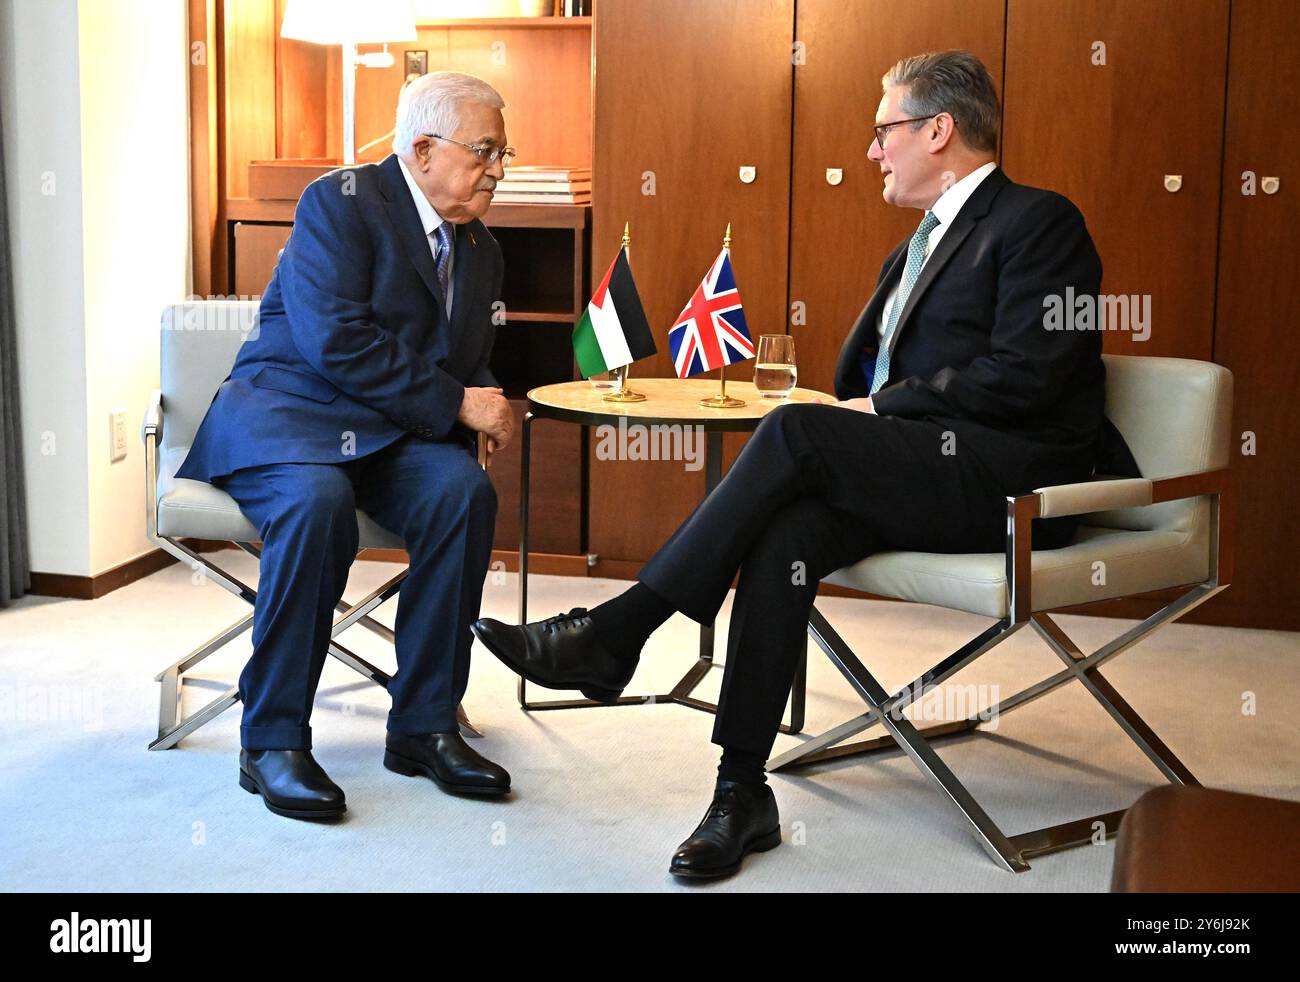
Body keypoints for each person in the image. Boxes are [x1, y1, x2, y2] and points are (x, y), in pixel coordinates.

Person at [473, 50, 1136, 878]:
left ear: (940, 130)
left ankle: (619, 631)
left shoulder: (1039, 221)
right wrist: (864, 415)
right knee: (787, 534)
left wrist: (875, 413)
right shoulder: (917, 248)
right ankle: (741, 788)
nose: (872, 152)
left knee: (796, 428)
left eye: (883, 131)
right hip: (927, 471)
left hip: (1018, 481)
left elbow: (1032, 371)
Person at [177, 72, 517, 819]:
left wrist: (484, 399)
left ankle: (424, 726)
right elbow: (338, 340)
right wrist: (457, 402)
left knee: (462, 493)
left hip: (387, 433)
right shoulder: (341, 201)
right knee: (317, 501)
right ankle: (270, 742)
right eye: (486, 151)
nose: (498, 168)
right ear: (424, 149)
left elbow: (460, 358)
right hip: (290, 417)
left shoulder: (482, 248)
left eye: (504, 153)